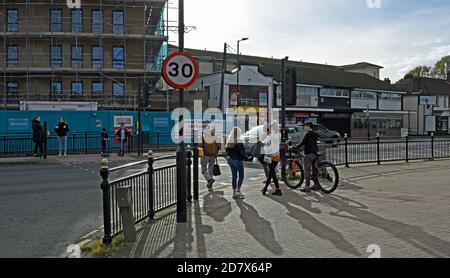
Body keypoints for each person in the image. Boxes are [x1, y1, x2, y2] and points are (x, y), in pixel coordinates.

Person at [295, 122, 320, 192]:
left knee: (307, 170)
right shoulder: (315, 134)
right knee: (314, 169)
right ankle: (316, 185)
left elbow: (302, 143)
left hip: (308, 154)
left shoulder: (308, 135)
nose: (304, 128)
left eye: (305, 126)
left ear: (308, 126)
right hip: (314, 153)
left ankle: (307, 186)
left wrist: (296, 147)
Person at [225, 127, 247, 199]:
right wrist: (246, 158)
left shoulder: (229, 141)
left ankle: (234, 192)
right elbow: (242, 152)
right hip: (238, 160)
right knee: (241, 176)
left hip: (231, 161)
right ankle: (238, 190)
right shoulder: (239, 141)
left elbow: (227, 152)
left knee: (234, 177)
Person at [261, 121, 282, 196]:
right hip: (276, 155)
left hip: (270, 156)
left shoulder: (271, 136)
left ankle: (278, 189)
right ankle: (265, 188)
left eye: (270, 127)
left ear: (272, 128)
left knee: (272, 173)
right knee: (271, 173)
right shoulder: (278, 135)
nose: (269, 129)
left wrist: (263, 141)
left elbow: (265, 143)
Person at [201, 124, 220, 192]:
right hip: (213, 155)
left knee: (204, 169)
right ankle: (210, 184)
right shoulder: (215, 136)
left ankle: (209, 179)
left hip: (205, 154)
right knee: (210, 169)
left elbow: (200, 145)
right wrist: (216, 154)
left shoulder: (203, 136)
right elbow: (218, 146)